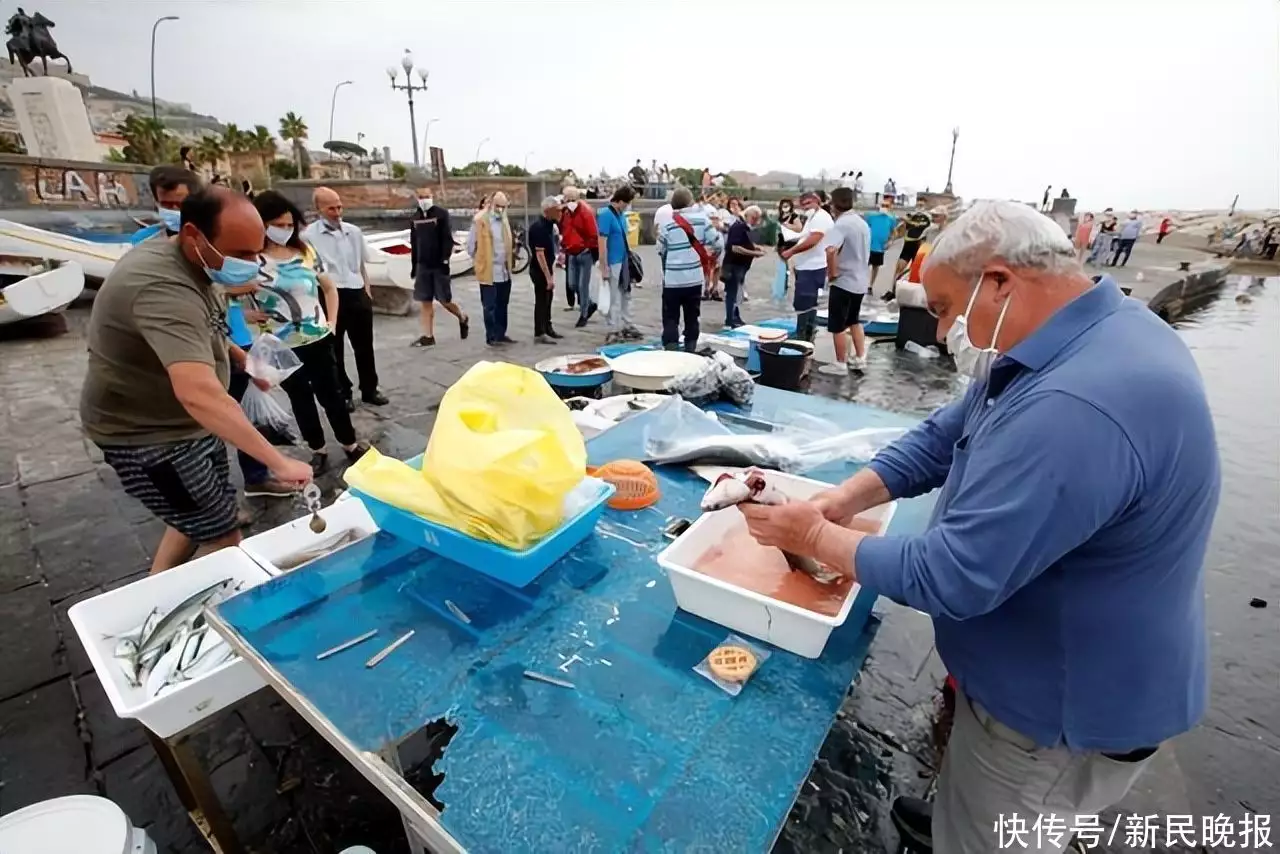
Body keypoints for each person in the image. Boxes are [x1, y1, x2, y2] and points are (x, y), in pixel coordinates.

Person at [735, 199, 1219, 854]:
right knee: (977, 803)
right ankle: (962, 812)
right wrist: (844, 500)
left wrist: (813, 538)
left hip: (1055, 715)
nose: (938, 336)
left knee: (999, 832)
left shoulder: (1077, 404)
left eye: (941, 309)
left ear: (997, 282)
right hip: (1048, 662)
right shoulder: (1078, 334)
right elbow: (943, 436)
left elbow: (953, 575)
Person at [79, 187, 313, 574]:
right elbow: (197, 392)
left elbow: (208, 329)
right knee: (224, 537)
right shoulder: (161, 287)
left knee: (193, 516)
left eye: (256, 252)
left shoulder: (198, 264)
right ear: (193, 235)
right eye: (240, 254)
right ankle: (171, 612)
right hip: (150, 437)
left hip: (189, 426)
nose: (251, 264)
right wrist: (276, 460)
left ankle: (157, 583)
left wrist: (244, 361)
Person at [246, 191, 369, 474]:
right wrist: (247, 314)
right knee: (300, 398)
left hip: (317, 337)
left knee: (332, 394)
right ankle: (317, 448)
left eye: (290, 225)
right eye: (278, 224)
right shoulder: (251, 261)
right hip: (280, 343)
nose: (285, 231)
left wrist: (332, 323)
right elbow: (223, 298)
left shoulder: (304, 252)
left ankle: (349, 443)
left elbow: (328, 287)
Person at [302, 187, 389, 411]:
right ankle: (344, 391)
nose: (336, 212)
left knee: (365, 346)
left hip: (356, 289)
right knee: (335, 347)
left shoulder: (353, 232)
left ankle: (370, 388)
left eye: (339, 206)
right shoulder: (308, 236)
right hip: (330, 292)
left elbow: (360, 264)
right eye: (331, 208)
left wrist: (366, 290)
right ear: (318, 208)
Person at [657, 186, 722, 352]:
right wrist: (710, 253)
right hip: (694, 279)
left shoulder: (668, 223)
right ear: (690, 201)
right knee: (692, 317)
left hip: (672, 280)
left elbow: (660, 249)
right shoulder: (702, 219)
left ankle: (671, 351)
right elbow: (718, 242)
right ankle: (690, 350)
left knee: (671, 317)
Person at [408, 187, 469, 347]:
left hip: (439, 265)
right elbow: (414, 243)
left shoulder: (441, 214)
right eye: (421, 196)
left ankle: (462, 316)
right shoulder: (415, 218)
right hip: (423, 266)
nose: (424, 199)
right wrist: (414, 266)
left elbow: (447, 239)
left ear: (432, 197)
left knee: (444, 300)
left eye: (427, 196)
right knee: (425, 301)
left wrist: (445, 261)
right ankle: (428, 336)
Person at [819, 187, 870, 375]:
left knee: (837, 324)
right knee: (854, 320)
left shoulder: (841, 224)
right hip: (860, 280)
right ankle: (860, 358)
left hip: (844, 281)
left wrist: (832, 274)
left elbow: (831, 250)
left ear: (834, 204)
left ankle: (840, 363)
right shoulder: (861, 223)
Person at [778, 191, 833, 342]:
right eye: (803, 205)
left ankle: (803, 333)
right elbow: (806, 236)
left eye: (809, 203)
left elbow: (814, 239)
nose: (805, 207)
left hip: (813, 267)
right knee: (806, 301)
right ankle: (806, 331)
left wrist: (791, 251)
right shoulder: (812, 218)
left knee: (805, 301)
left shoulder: (821, 217)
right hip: (806, 266)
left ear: (817, 202)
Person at [466, 191, 516, 346]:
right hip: (488, 269)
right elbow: (470, 245)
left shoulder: (504, 220)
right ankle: (491, 335)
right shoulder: (480, 220)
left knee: (503, 303)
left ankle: (501, 333)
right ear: (491, 204)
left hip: (504, 269)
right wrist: (480, 260)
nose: (500, 209)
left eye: (503, 206)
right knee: (489, 305)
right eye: (498, 206)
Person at [597, 185, 642, 344]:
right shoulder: (606, 215)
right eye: (627, 202)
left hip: (622, 260)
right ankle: (613, 327)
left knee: (626, 293)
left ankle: (626, 323)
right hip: (613, 261)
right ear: (621, 201)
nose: (628, 206)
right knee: (613, 296)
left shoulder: (621, 215)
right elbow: (602, 241)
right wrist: (604, 266)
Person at [721, 204, 767, 328]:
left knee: (736, 293)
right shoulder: (738, 227)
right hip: (733, 265)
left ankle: (735, 317)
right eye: (754, 218)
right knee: (732, 293)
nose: (755, 221)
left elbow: (743, 243)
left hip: (739, 265)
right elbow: (735, 247)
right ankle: (730, 319)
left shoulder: (743, 227)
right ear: (747, 215)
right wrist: (754, 253)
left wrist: (754, 247)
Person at [559, 186, 598, 328]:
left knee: (583, 285)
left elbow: (593, 233)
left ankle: (584, 314)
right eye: (567, 199)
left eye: (572, 199)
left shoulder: (585, 212)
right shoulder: (566, 213)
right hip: (571, 252)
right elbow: (565, 230)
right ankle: (590, 304)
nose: (570, 202)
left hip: (584, 253)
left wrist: (588, 247)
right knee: (572, 284)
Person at [132, 165, 201, 244]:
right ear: (157, 202)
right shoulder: (143, 239)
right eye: (166, 204)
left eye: (180, 204)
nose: (174, 209)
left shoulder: (209, 238)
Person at [528, 196, 563, 343]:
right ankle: (539, 332)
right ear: (548, 211)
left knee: (548, 299)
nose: (560, 213)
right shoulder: (539, 228)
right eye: (558, 210)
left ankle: (547, 327)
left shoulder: (550, 225)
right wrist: (548, 277)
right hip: (539, 269)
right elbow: (539, 254)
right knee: (542, 299)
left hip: (548, 267)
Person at [864, 200, 898, 298]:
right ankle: (861, 283)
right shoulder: (871, 216)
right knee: (864, 265)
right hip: (868, 245)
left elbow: (894, 232)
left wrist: (890, 242)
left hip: (880, 247)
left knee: (876, 267)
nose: (884, 207)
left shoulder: (891, 219)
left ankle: (870, 286)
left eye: (886, 205)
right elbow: (864, 228)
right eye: (883, 205)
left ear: (890, 207)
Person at [895, 201, 932, 283]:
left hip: (919, 245)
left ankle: (911, 289)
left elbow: (918, 225)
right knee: (899, 268)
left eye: (921, 205)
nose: (919, 206)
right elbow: (900, 226)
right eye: (918, 204)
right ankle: (892, 290)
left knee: (916, 271)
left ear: (925, 206)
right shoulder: (910, 215)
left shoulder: (928, 217)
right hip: (908, 244)